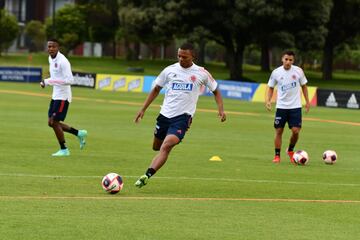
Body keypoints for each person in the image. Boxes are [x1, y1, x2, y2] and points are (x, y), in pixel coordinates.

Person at [134, 42, 226, 188]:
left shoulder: (201, 73)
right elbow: (156, 89)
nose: (181, 59)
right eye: (179, 56)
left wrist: (221, 109)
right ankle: (158, 156)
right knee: (156, 147)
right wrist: (143, 109)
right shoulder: (169, 70)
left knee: (166, 146)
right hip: (164, 115)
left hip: (182, 118)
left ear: (193, 56)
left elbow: (216, 91)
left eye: (185, 57)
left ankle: (147, 175)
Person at [40, 39, 87, 157]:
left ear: (58, 47)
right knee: (50, 123)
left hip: (63, 96)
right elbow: (56, 76)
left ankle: (64, 149)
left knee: (54, 122)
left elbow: (70, 80)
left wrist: (48, 81)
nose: (50, 49)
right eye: (49, 46)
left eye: (53, 46)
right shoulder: (50, 58)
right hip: (55, 95)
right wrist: (48, 81)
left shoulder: (63, 61)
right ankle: (79, 133)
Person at [265, 50, 310, 164]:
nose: (288, 62)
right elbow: (270, 87)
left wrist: (307, 101)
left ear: (293, 61)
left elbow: (304, 86)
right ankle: (277, 156)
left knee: (295, 131)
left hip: (295, 106)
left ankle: (290, 150)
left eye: (290, 60)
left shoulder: (299, 71)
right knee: (279, 131)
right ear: (282, 59)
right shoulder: (276, 72)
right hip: (281, 107)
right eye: (286, 59)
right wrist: (268, 100)